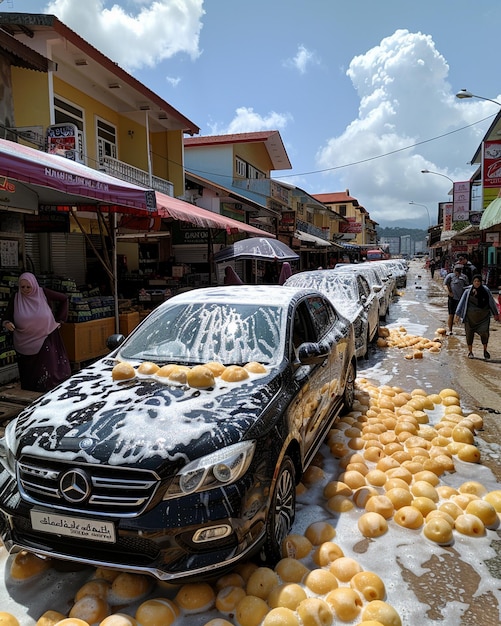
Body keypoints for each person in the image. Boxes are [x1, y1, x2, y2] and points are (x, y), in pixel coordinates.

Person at [2, 272, 71, 392]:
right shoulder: (16, 298)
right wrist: (7, 323)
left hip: (45, 336)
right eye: (22, 287)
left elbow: (64, 299)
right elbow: (7, 317)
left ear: (33, 285)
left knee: (47, 368)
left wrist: (60, 319)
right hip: (24, 340)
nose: (25, 290)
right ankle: (31, 393)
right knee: (30, 371)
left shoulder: (43, 293)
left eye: (28, 287)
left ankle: (49, 392)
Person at [454, 274, 500, 360]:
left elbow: (491, 302)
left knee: (485, 333)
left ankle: (485, 350)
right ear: (473, 282)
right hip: (470, 318)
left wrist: (495, 314)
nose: (477, 283)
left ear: (481, 282)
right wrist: (457, 314)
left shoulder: (485, 290)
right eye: (475, 281)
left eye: (478, 281)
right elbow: (462, 302)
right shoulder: (468, 291)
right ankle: (470, 352)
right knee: (469, 334)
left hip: (483, 317)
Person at [443, 264, 469, 335]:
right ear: (454, 270)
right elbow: (445, 285)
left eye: (459, 270)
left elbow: (467, 287)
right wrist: (449, 292)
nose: (457, 272)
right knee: (451, 314)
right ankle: (450, 330)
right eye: (456, 270)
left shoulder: (464, 277)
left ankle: (466, 330)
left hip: (461, 299)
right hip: (452, 298)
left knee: (464, 314)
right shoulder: (450, 276)